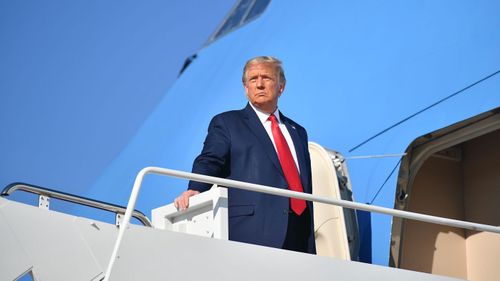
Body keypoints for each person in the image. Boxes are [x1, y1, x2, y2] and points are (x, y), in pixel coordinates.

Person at [174, 56, 315, 254]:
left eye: (266, 78)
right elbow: (210, 159)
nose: (259, 84)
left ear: (281, 86)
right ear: (245, 87)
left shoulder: (297, 131)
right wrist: (195, 189)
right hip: (252, 231)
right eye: (252, 79)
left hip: (299, 234)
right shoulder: (227, 123)